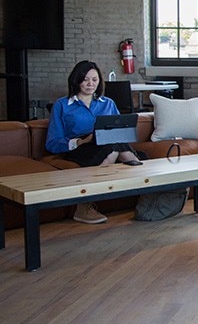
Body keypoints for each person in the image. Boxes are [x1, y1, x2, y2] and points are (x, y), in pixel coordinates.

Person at [46, 60, 141, 224]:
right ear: (76, 80)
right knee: (115, 149)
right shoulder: (62, 105)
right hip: (80, 148)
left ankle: (150, 192)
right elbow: (52, 143)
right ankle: (84, 206)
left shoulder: (108, 103)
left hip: (111, 144)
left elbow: (121, 131)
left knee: (115, 145)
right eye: (85, 79)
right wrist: (81, 141)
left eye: (94, 80)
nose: (90, 84)